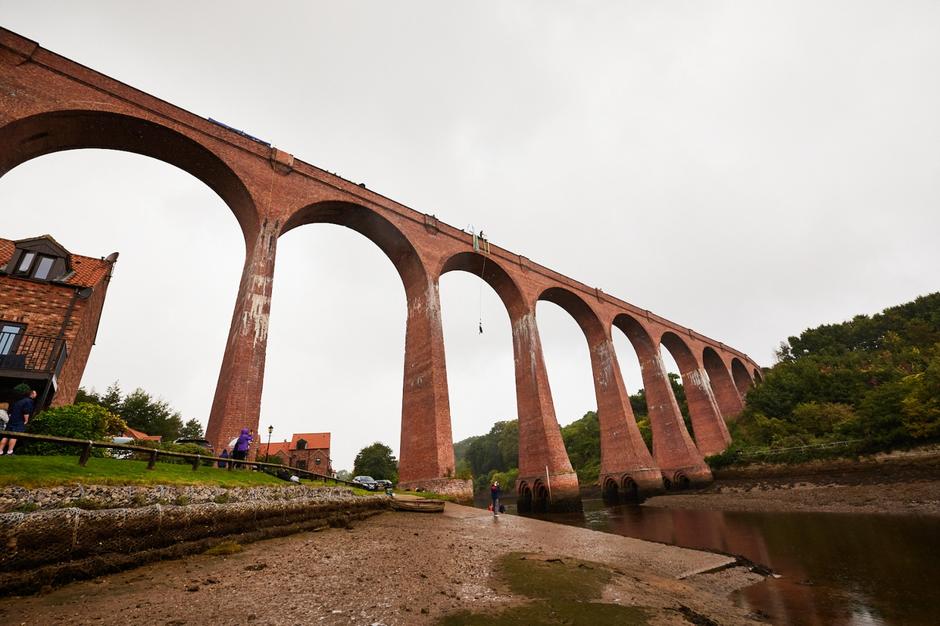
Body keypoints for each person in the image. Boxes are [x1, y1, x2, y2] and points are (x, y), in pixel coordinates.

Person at [1, 388, 36, 456]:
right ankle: (9, 452)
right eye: (35, 393)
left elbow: (11, 411)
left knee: (5, 435)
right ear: (32, 394)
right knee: (14, 436)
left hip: (12, 420)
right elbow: (26, 412)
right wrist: (26, 420)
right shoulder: (29, 401)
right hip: (19, 421)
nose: (36, 394)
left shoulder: (20, 401)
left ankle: (0, 451)